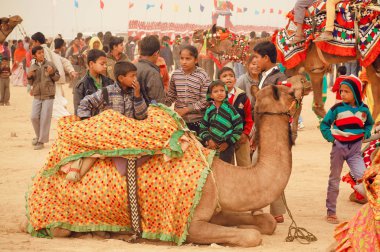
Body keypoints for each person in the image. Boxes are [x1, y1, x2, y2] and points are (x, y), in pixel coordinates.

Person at [320, 75, 374, 224]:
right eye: (341, 91)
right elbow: (324, 124)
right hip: (339, 148)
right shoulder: (337, 108)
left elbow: (369, 123)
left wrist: (367, 133)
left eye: (346, 91)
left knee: (365, 179)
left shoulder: (364, 109)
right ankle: (331, 212)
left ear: (356, 92)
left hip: (355, 151)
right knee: (334, 180)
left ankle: (372, 211)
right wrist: (332, 138)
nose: (342, 94)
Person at [251, 41, 288, 223]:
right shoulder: (264, 77)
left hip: (272, 131)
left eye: (257, 57)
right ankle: (274, 209)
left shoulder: (279, 78)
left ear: (266, 57)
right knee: (267, 167)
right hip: (262, 129)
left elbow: (282, 104)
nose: (255, 61)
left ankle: (262, 207)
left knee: (262, 166)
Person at [77, 61, 147, 120]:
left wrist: (137, 96)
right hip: (110, 133)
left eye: (136, 75)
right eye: (132, 76)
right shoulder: (107, 92)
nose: (136, 79)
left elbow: (141, 116)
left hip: (128, 132)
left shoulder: (134, 92)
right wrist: (86, 120)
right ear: (121, 78)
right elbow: (85, 102)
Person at [165, 45, 211, 135]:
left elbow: (205, 100)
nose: (184, 62)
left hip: (198, 121)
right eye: (182, 58)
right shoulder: (176, 75)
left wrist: (186, 110)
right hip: (179, 120)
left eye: (188, 59)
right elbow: (171, 96)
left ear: (196, 60)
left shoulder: (203, 76)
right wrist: (162, 105)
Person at [30, 32, 77, 119]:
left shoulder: (42, 52)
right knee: (55, 104)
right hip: (54, 81)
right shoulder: (49, 51)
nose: (32, 45)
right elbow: (64, 61)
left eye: (33, 42)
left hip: (50, 83)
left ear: (37, 42)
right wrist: (71, 71)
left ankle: (69, 119)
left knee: (55, 105)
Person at [199, 80, 243, 164]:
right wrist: (209, 140)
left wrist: (227, 142)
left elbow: (239, 127)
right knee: (212, 168)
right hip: (211, 146)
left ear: (226, 92)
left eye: (222, 90)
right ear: (211, 95)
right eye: (216, 91)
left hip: (226, 147)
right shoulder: (209, 110)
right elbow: (202, 128)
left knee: (226, 169)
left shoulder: (231, 110)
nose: (219, 93)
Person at [27, 46, 60, 150]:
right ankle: (38, 136)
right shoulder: (32, 66)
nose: (41, 54)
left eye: (42, 52)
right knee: (34, 117)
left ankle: (41, 141)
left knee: (45, 118)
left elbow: (57, 77)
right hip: (37, 94)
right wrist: (29, 76)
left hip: (49, 95)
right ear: (34, 56)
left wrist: (52, 73)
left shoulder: (50, 64)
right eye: (39, 53)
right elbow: (31, 82)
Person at [219, 67, 253, 166]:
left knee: (245, 165)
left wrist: (246, 134)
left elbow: (248, 118)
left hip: (241, 137)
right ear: (219, 80)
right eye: (224, 76)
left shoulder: (242, 96)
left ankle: (246, 182)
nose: (228, 78)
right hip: (224, 139)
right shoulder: (217, 97)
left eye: (231, 76)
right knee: (227, 166)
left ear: (235, 79)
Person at [73, 49, 114, 115]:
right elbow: (78, 110)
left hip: (107, 121)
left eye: (105, 64)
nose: (105, 66)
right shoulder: (81, 85)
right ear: (91, 64)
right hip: (90, 122)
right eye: (102, 64)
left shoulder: (109, 82)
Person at [135, 35, 165, 104]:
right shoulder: (153, 73)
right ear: (156, 53)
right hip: (150, 112)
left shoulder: (132, 67)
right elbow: (157, 102)